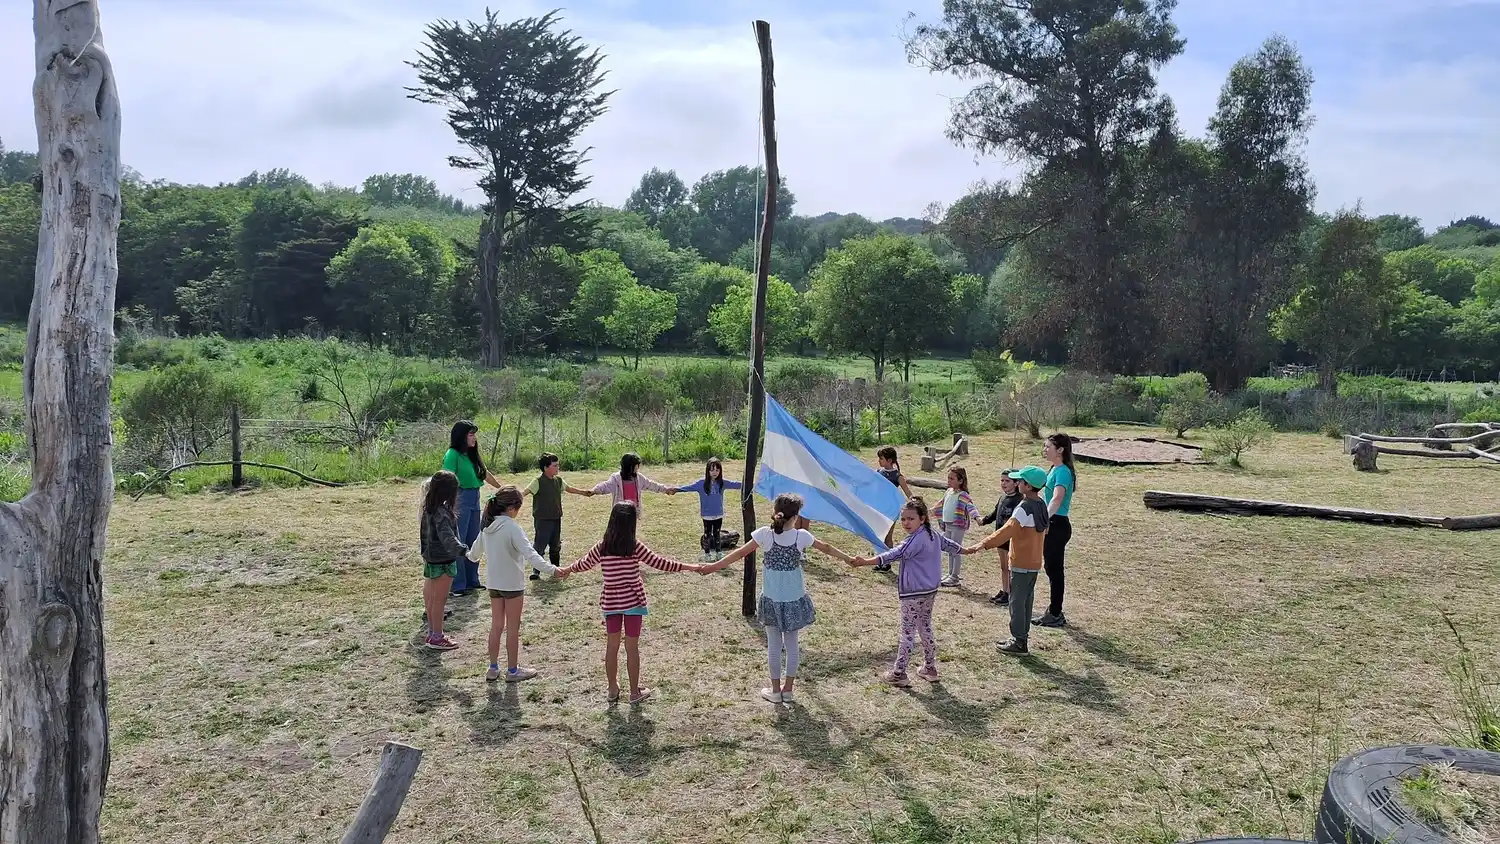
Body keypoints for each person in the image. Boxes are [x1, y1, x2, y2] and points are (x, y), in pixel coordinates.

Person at [705, 494, 856, 704]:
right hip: (794, 599)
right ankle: (788, 690)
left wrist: (712, 566)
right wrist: (849, 559)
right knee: (792, 644)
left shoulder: (765, 535)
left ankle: (775, 690)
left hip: (772, 599)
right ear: (795, 517)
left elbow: (739, 554)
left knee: (774, 646)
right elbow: (827, 547)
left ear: (776, 512)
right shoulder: (801, 536)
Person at [555, 502, 707, 704]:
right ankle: (634, 692)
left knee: (612, 646)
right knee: (632, 647)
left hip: (611, 603)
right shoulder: (634, 546)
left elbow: (584, 563)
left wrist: (568, 569)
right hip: (634, 601)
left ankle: (612, 689)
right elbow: (661, 563)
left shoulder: (602, 547)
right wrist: (690, 566)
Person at [849, 497, 963, 687]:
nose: (906, 523)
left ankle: (899, 673)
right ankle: (930, 668)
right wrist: (968, 550)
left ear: (922, 518)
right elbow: (950, 545)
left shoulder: (915, 540)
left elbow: (894, 554)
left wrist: (866, 562)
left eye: (911, 519)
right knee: (925, 627)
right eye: (903, 519)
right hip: (930, 591)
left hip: (913, 593)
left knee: (908, 632)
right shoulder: (932, 534)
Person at [467, 486, 559, 681]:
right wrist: (552, 570)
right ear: (511, 508)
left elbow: (473, 555)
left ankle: (493, 668)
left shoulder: (487, 528)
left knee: (496, 626)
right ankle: (513, 670)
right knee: (512, 629)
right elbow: (531, 554)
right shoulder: (512, 528)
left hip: (494, 584)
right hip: (513, 586)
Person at [963, 466, 1049, 655]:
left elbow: (1006, 531)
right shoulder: (1041, 504)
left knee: (1016, 603)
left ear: (1027, 486)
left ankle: (1019, 642)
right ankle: (1021, 638)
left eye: (1020, 481)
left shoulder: (1024, 508)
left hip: (1021, 563)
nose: (1017, 484)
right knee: (1026, 602)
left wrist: (982, 544)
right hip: (1034, 562)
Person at [443, 421, 501, 596]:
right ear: (461, 436)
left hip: (475, 498)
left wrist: (502, 488)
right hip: (459, 499)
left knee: (474, 540)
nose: (474, 438)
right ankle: (457, 584)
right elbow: (447, 478)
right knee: (459, 541)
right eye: (470, 434)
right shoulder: (452, 455)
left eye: (474, 434)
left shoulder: (471, 454)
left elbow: (485, 473)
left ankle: (472, 580)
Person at [523, 453, 591, 581]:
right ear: (545, 468)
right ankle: (536, 571)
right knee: (540, 545)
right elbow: (525, 492)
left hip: (556, 518)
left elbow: (569, 489)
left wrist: (583, 492)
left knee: (555, 545)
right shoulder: (537, 482)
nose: (557, 468)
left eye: (558, 465)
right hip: (542, 520)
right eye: (555, 465)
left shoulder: (558, 481)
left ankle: (556, 568)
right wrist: (513, 498)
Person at [418, 470, 466, 651]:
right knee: (439, 601)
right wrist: (464, 551)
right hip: (443, 562)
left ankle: (432, 633)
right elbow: (448, 539)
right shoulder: (442, 513)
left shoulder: (429, 509)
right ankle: (437, 637)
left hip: (431, 560)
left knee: (432, 599)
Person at [1035, 433, 1078, 629]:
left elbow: (1057, 498)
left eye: (1048, 447)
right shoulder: (1054, 469)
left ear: (1060, 450)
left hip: (1057, 524)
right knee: (1051, 568)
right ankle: (1054, 610)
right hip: (1053, 522)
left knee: (1055, 570)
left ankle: (1055, 613)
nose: (1044, 450)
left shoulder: (1063, 472)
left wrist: (1045, 518)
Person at [676, 457, 743, 561]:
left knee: (717, 534)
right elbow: (688, 487)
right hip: (707, 515)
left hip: (718, 514)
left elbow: (735, 484)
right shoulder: (701, 483)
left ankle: (718, 553)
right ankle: (707, 554)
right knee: (707, 534)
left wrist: (751, 485)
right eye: (712, 470)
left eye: (717, 470)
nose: (714, 472)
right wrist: (675, 489)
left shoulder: (722, 483)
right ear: (707, 471)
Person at [977, 470, 1023, 605]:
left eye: (1007, 481)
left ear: (1016, 483)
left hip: (1011, 539)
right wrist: (984, 521)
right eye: (1002, 480)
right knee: (1003, 567)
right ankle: (1005, 590)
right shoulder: (1003, 498)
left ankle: (1011, 593)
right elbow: (995, 513)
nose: (1003, 483)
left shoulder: (1019, 500)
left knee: (1010, 567)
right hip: (1000, 538)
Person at [590, 453, 676, 518]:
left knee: (631, 532)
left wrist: (665, 489)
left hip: (633, 512)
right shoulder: (616, 479)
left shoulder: (639, 478)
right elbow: (605, 486)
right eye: (636, 465)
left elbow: (651, 485)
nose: (638, 467)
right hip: (620, 512)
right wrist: (594, 491)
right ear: (630, 467)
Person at [937, 467, 980, 588]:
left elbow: (971, 507)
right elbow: (941, 503)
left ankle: (955, 576)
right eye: (948, 478)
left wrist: (977, 517)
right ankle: (950, 573)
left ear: (960, 481)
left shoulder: (963, 495)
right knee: (949, 549)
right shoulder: (948, 492)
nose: (949, 481)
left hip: (957, 526)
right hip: (948, 525)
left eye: (952, 478)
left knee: (956, 550)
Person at [873, 446, 914, 568]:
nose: (879, 461)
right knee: (879, 535)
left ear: (889, 460)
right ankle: (880, 560)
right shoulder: (878, 472)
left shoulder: (897, 476)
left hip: (891, 509)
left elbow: (908, 492)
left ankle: (887, 562)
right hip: (879, 508)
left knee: (888, 536)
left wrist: (915, 501)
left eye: (881, 459)